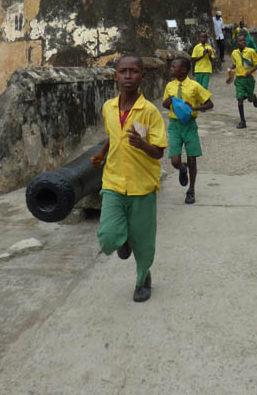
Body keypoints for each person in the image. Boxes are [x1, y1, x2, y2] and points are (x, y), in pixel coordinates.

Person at [90, 56, 167, 302]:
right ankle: (122, 239)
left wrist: (143, 145)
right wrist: (101, 154)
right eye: (123, 71)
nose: (128, 76)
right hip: (112, 181)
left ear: (143, 77)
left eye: (134, 71)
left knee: (143, 242)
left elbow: (159, 151)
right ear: (115, 75)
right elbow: (113, 136)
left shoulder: (150, 112)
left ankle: (143, 279)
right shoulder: (108, 108)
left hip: (141, 185)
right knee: (109, 236)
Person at [162, 57, 213, 204]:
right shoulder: (169, 86)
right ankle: (181, 168)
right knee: (174, 160)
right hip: (175, 125)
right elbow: (165, 105)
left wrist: (195, 108)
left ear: (183, 70)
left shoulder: (194, 86)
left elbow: (209, 104)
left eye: (174, 67)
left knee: (192, 158)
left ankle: (191, 189)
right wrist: (169, 101)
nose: (171, 69)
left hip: (190, 125)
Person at [228, 34, 257, 129]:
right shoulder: (234, 53)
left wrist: (250, 71)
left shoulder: (251, 51)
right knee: (240, 98)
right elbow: (235, 64)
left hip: (249, 80)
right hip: (239, 79)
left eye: (243, 41)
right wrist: (230, 68)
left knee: (249, 98)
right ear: (237, 43)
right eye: (240, 41)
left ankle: (253, 97)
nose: (242, 42)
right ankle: (242, 121)